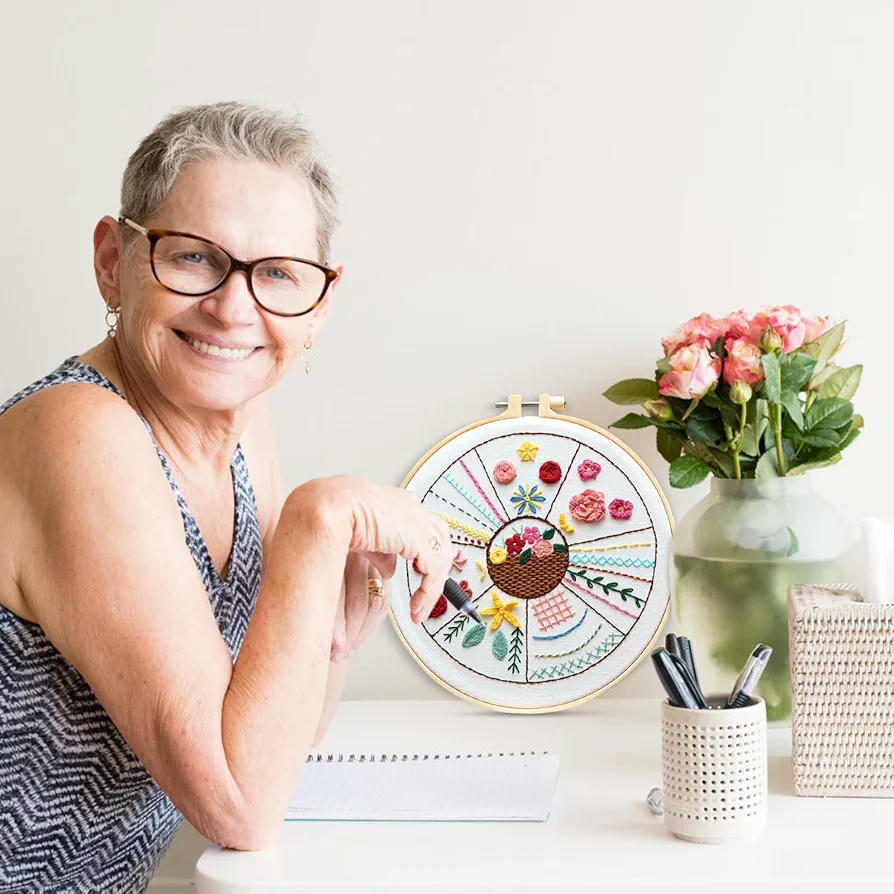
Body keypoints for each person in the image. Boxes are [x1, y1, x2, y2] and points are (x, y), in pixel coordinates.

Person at [0, 100, 452, 892]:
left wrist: (332, 619)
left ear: (320, 301)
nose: (233, 308)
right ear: (114, 259)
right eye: (193, 259)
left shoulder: (237, 420)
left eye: (278, 273)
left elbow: (281, 744)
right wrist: (318, 520)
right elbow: (240, 806)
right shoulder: (77, 432)